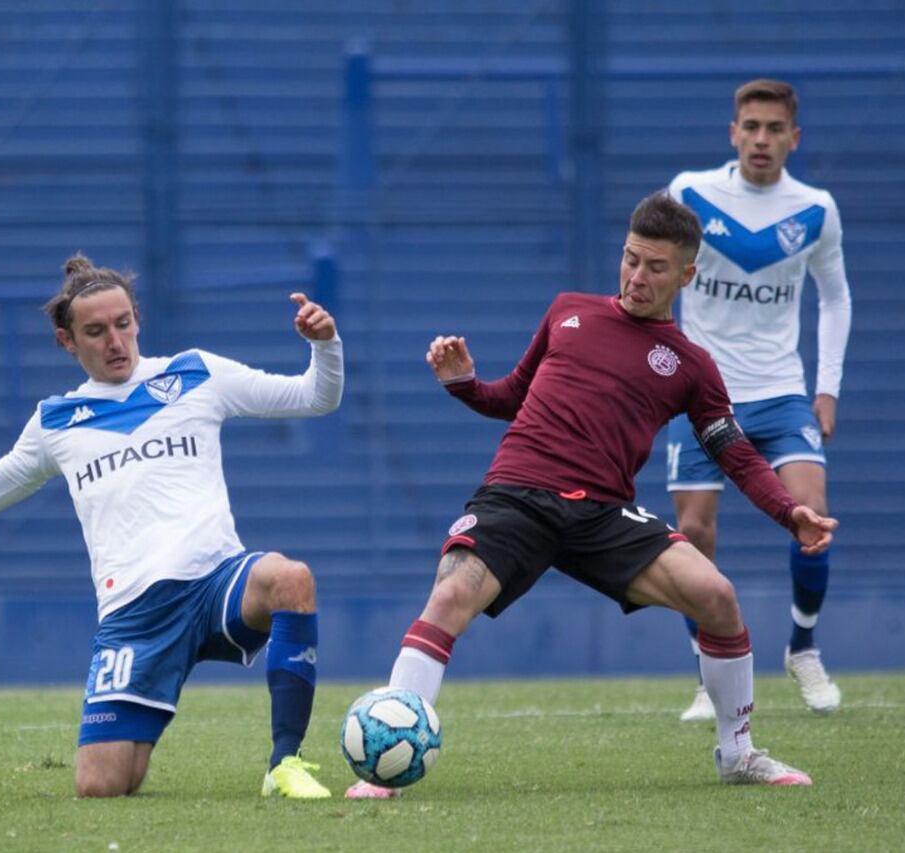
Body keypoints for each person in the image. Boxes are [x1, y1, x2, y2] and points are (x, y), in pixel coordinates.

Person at [345, 192, 837, 800]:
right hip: (517, 495)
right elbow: (509, 399)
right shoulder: (568, 312)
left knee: (716, 595)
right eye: (631, 259)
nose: (637, 277)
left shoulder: (692, 365)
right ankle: (385, 773)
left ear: (687, 275)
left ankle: (737, 754)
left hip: (603, 512)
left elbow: (734, 452)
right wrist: (463, 382)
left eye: (656, 268)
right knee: (448, 595)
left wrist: (790, 512)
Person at [0, 253, 344, 799]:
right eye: (95, 331)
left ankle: (285, 764)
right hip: (134, 617)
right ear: (68, 342)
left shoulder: (195, 373)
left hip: (215, 581)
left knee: (290, 578)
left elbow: (316, 398)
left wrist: (324, 344)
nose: (115, 341)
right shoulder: (54, 421)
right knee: (102, 785)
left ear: (137, 319)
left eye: (123, 324)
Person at [666, 79, 852, 722]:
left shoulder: (815, 210)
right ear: (733, 133)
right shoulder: (689, 195)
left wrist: (825, 387)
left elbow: (835, 297)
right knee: (692, 534)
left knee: (813, 517)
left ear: (793, 139)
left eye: (775, 129)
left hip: (780, 393)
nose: (762, 139)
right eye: (751, 126)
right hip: (701, 397)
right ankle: (703, 675)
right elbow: (651, 273)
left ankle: (802, 647)